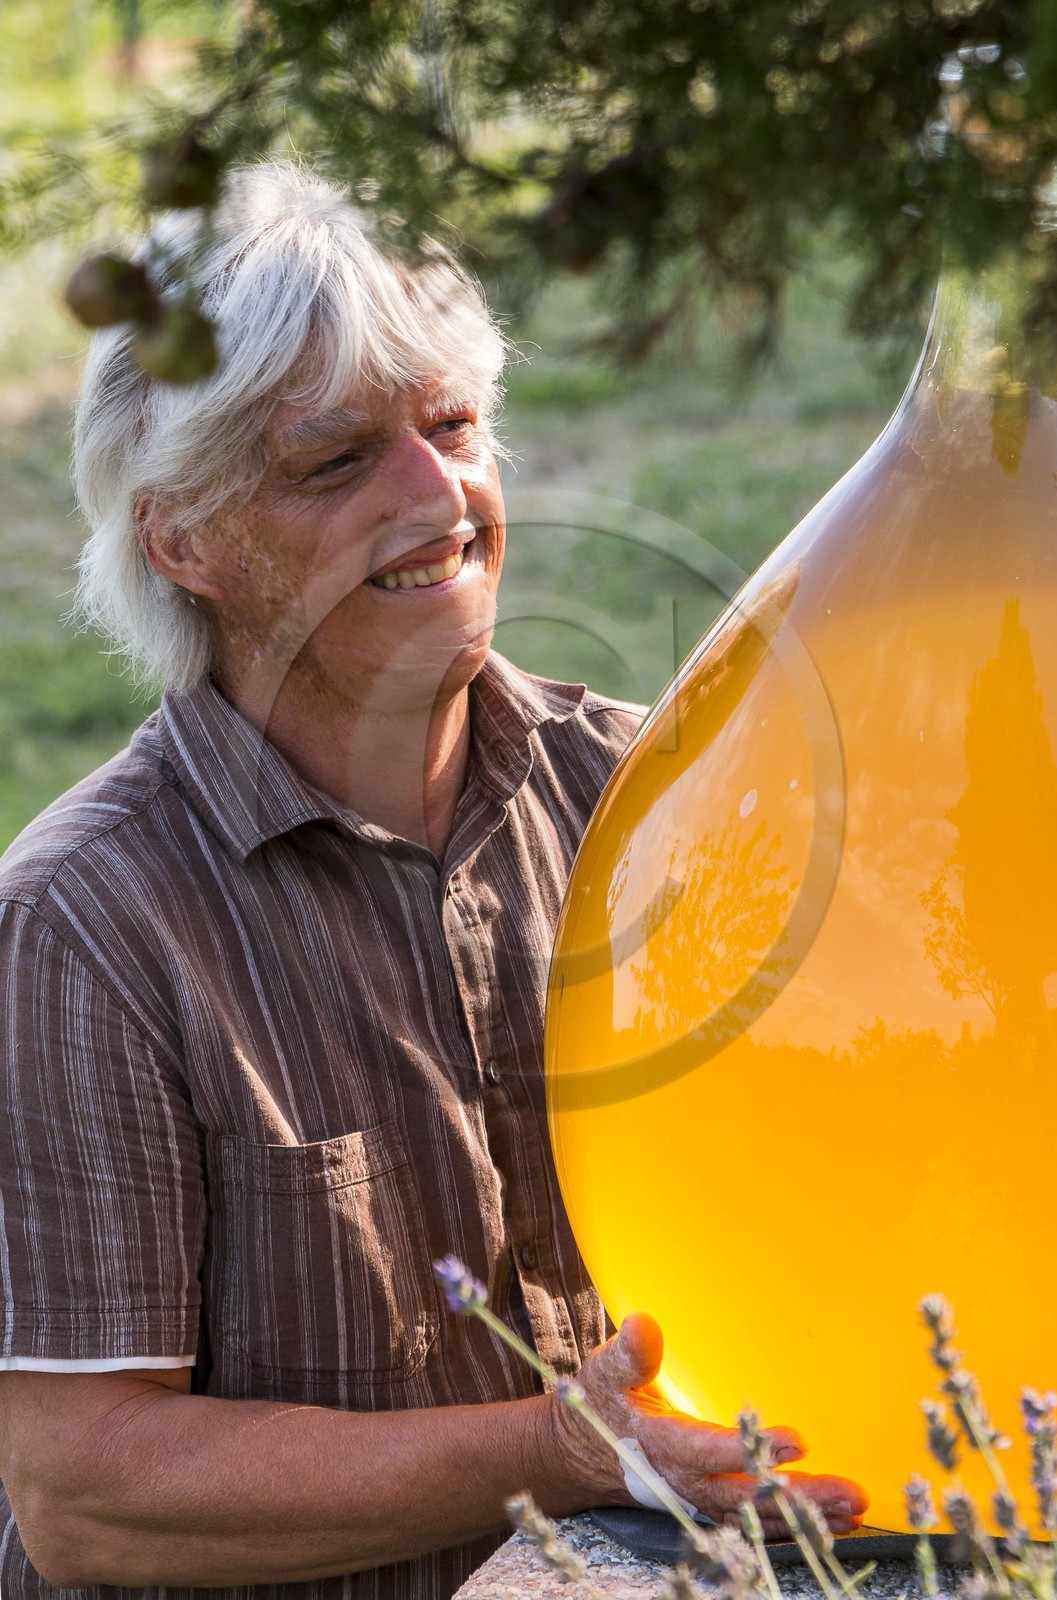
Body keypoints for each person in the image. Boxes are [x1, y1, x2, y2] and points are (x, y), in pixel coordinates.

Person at [0, 160, 866, 1600]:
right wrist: (565, 1451)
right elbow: (91, 1495)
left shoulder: (657, 804)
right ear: (184, 539)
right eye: (338, 462)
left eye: (454, 426)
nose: (438, 496)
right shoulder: (81, 927)